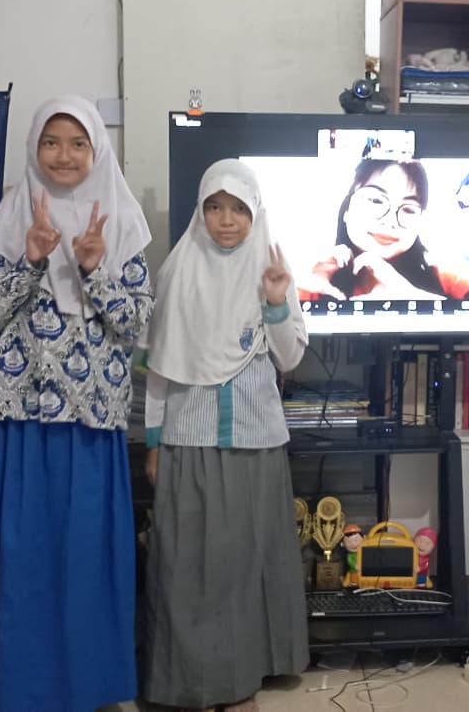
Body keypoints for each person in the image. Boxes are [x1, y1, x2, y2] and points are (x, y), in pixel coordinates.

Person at [0, 96, 153, 712]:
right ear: (33, 148)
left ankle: (86, 687)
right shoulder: (9, 216)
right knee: (20, 559)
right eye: (51, 141)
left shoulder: (123, 223)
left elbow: (135, 325)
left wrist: (94, 269)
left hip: (90, 420)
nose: (63, 155)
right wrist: (32, 260)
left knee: (82, 557)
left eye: (77, 143)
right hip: (18, 420)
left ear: (97, 150)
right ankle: (17, 688)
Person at [143, 159, 309, 712]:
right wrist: (153, 442)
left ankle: (240, 682)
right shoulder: (177, 273)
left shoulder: (272, 271)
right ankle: (191, 681)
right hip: (187, 441)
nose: (227, 219)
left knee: (243, 564)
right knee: (186, 568)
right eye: (214, 207)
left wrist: (276, 303)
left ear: (255, 213)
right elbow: (159, 369)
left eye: (238, 208)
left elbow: (289, 357)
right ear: (201, 211)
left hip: (254, 442)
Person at [300, 158, 469, 301]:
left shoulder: (442, 272)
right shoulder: (318, 278)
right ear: (346, 210)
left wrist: (411, 297)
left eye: (408, 209)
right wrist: (295, 289)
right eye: (376, 201)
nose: (390, 221)